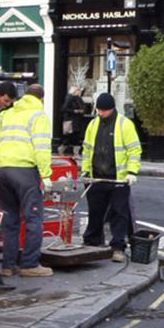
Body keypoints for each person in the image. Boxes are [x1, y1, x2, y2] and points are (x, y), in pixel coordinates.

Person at [0, 83, 53, 277]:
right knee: (33, 217)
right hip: (25, 171)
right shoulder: (39, 116)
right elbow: (41, 147)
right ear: (41, 99)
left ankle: (9, 265)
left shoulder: (6, 114)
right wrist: (46, 174)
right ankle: (30, 264)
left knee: (10, 219)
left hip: (3, 170)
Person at [81, 92, 141, 262]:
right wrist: (85, 171)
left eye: (103, 110)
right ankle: (92, 243)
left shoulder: (124, 124)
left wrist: (132, 172)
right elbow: (87, 150)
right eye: (98, 110)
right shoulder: (93, 124)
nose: (100, 113)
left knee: (119, 214)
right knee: (95, 212)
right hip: (97, 178)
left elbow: (134, 150)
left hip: (118, 179)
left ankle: (118, 248)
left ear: (112, 109)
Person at [60, 86, 85, 155]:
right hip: (71, 121)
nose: (80, 92)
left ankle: (75, 152)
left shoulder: (78, 99)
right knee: (70, 136)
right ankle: (63, 149)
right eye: (78, 91)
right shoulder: (69, 98)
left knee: (76, 136)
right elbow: (64, 109)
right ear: (75, 91)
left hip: (77, 121)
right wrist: (75, 111)